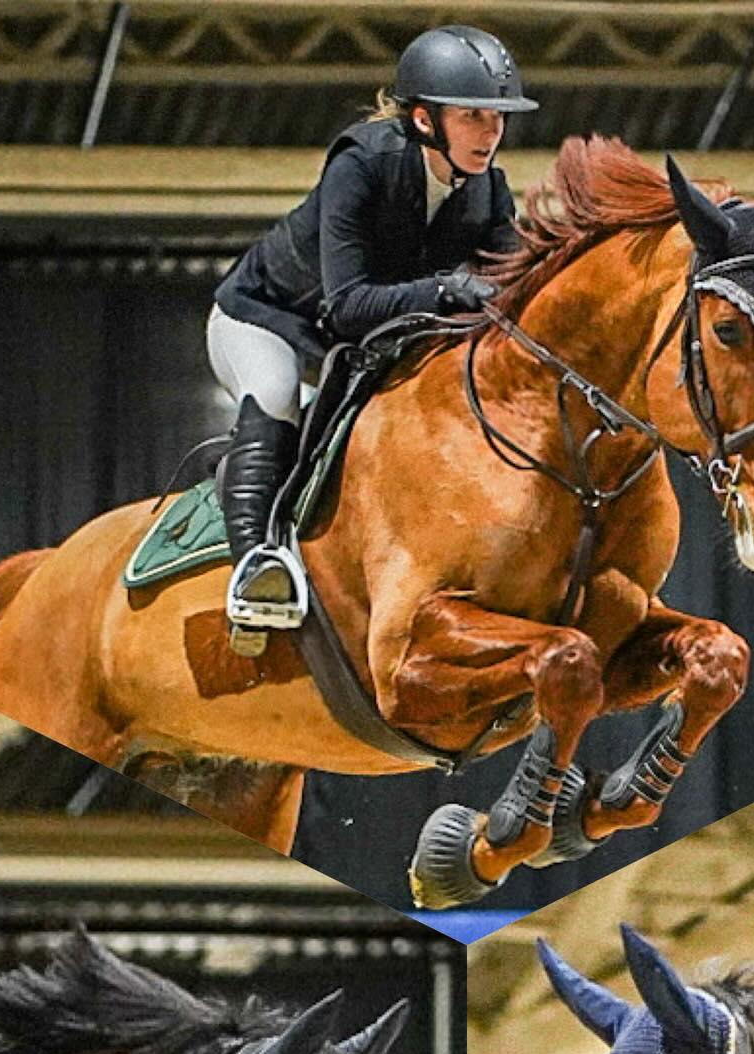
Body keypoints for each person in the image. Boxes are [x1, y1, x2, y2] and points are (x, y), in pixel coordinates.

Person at [207, 24, 536, 640]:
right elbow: (349, 305)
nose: (490, 134)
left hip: (359, 345)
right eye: (472, 116)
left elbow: (510, 294)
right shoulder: (361, 164)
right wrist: (445, 289)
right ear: (422, 119)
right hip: (268, 319)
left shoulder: (488, 190)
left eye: (498, 118)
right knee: (276, 393)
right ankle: (253, 568)